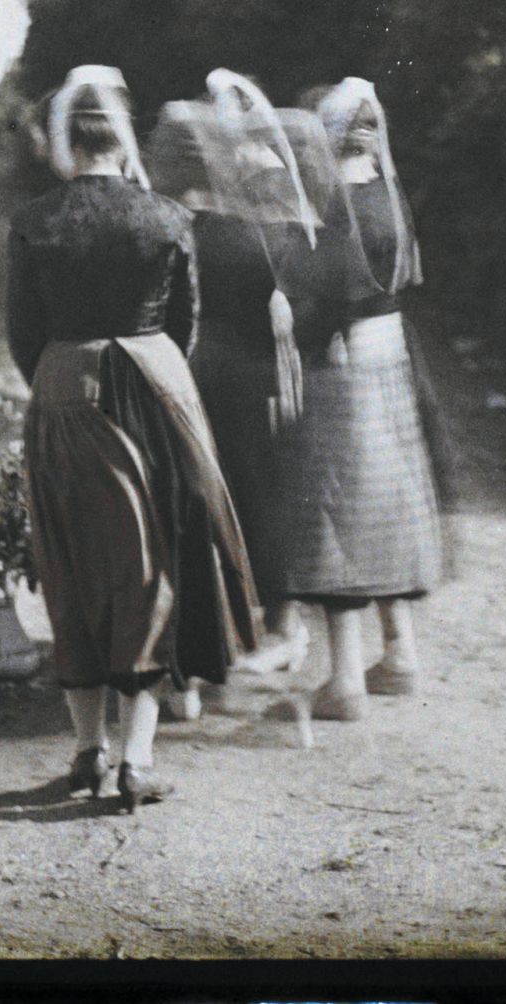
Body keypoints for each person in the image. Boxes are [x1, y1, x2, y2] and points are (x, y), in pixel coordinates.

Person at [6, 65, 262, 810]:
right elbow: (185, 323)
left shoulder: (34, 221)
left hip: (65, 390)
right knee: (152, 567)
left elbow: (24, 336)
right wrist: (149, 367)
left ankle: (89, 749)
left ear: (66, 136)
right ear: (121, 135)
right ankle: (136, 759)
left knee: (71, 562)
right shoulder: (166, 218)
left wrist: (65, 374)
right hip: (156, 387)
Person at [268, 77, 446, 721]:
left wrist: (291, 335)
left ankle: (343, 680)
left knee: (338, 514)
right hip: (390, 360)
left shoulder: (335, 202)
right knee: (386, 509)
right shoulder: (388, 192)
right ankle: (399, 652)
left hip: (342, 369)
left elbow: (332, 295)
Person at [149, 78, 322, 680]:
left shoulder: (190, 228)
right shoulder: (244, 232)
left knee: (233, 494)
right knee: (246, 496)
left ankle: (259, 624)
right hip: (237, 375)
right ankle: (260, 622)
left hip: (223, 376)